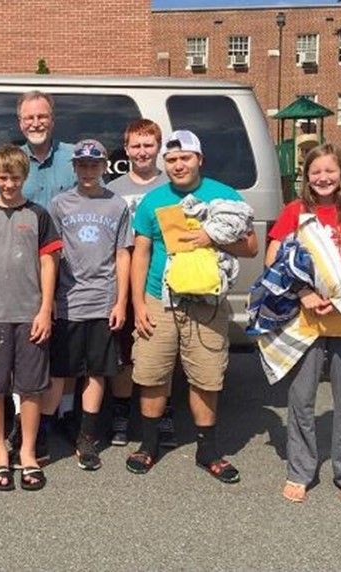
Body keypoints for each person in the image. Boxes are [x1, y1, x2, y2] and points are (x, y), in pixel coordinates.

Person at [126, 130, 258, 483]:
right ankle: (149, 445)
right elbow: (140, 252)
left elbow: (251, 248)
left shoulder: (224, 195)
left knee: (206, 376)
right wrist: (138, 303)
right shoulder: (152, 202)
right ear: (163, 163)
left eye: (185, 157)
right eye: (171, 160)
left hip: (206, 303)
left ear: (199, 158)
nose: (178, 164)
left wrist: (211, 236)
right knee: (152, 375)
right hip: (160, 299)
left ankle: (208, 450)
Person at [265, 143, 341, 505]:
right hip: (307, 312)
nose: (323, 178)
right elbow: (274, 257)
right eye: (315, 172)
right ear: (306, 176)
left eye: (330, 171)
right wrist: (302, 293)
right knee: (301, 396)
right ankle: (300, 470)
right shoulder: (295, 212)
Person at [0, 144, 62, 491]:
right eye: (2, 177)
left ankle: (28, 453)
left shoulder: (38, 215)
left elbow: (50, 263)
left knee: (31, 389)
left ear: (25, 176)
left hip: (31, 315)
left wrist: (45, 309)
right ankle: (1, 453)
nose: (8, 184)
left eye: (15, 177)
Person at [0, 91, 75, 455]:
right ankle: (25, 426)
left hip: (68, 270)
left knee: (61, 347)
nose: (35, 123)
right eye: (28, 118)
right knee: (28, 353)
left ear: (52, 118)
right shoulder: (12, 162)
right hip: (18, 277)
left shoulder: (72, 158)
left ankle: (61, 417)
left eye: (42, 116)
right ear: (20, 122)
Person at [44, 140, 131, 471]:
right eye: (82, 165)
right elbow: (51, 254)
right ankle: (42, 430)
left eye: (94, 165)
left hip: (102, 299)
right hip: (68, 299)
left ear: (104, 166)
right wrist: (49, 298)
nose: (88, 171)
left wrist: (120, 301)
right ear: (74, 167)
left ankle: (86, 436)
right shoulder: (60, 203)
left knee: (96, 371)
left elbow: (123, 253)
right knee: (61, 371)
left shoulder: (117, 205)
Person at [105, 119, 176, 448]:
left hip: (161, 284)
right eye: (136, 145)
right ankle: (121, 414)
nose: (142, 151)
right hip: (122, 282)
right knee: (125, 351)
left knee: (161, 351)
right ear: (127, 148)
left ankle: (163, 414)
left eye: (149, 145)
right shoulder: (114, 190)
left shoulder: (172, 187)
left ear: (158, 148)